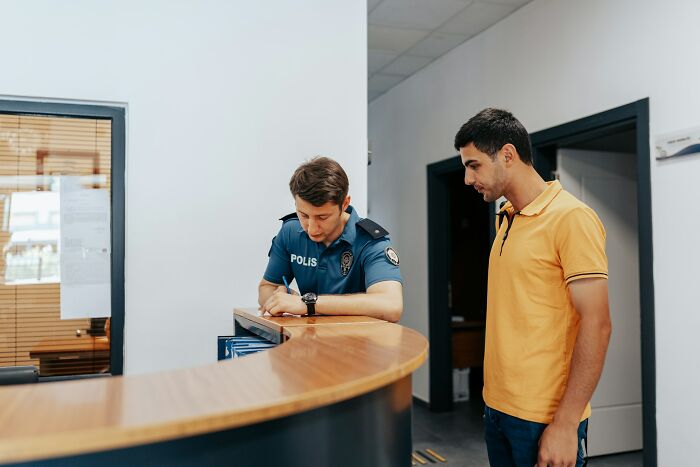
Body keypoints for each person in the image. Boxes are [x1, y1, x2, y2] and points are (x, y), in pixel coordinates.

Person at [454, 108, 612, 467]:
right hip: (497, 407)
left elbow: (598, 324)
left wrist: (567, 424)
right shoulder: (506, 217)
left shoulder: (572, 218)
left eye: (474, 165)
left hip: (544, 417)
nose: (467, 178)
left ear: (507, 155)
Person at [258, 156, 403, 322]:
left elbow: (391, 306)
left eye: (322, 217)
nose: (311, 228)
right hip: (308, 339)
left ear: (345, 204)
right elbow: (267, 287)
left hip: (359, 342)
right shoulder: (290, 232)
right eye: (304, 215)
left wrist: (309, 303)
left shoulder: (371, 241)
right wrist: (280, 298)